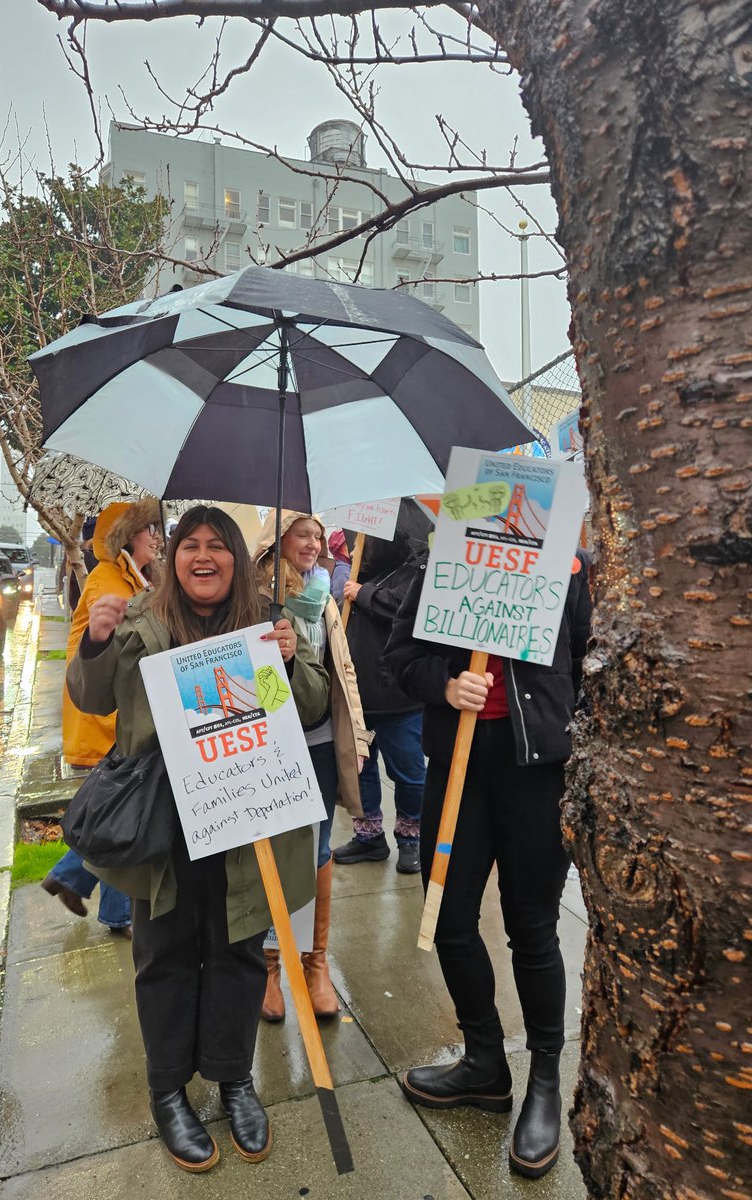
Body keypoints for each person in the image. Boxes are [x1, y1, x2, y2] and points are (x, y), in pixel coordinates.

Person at [66, 506, 329, 1172]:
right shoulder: (140, 623)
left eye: (219, 546)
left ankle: (233, 1079)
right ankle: (168, 1092)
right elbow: (93, 698)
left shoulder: (262, 626)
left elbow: (306, 707)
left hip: (245, 829)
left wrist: (291, 663)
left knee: (239, 953)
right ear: (173, 556)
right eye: (191, 545)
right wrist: (94, 642)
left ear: (238, 560)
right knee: (166, 959)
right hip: (166, 832)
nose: (204, 556)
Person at [384, 549, 591, 1180]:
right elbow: (399, 660)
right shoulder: (439, 567)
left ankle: (546, 1082)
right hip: (457, 770)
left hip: (537, 775)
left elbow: (593, 665)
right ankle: (484, 1063)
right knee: (448, 920)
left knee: (531, 926)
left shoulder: (569, 570)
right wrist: (444, 684)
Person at [252, 511, 370, 1021]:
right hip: (273, 744)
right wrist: (275, 660)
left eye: (319, 536)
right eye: (304, 533)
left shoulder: (322, 592)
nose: (314, 543)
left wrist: (357, 734)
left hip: (321, 741)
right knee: (274, 853)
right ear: (279, 539)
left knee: (317, 848)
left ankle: (314, 961)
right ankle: (270, 967)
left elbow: (340, 669)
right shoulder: (254, 595)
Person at [43, 499, 162, 938]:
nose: (155, 537)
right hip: (104, 716)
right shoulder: (108, 581)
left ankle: (70, 876)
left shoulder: (133, 576)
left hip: (120, 718)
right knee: (127, 813)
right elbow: (128, 634)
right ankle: (116, 913)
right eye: (148, 529)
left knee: (119, 809)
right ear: (128, 535)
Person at [332, 500, 430, 875]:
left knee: (408, 772)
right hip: (359, 698)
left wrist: (365, 595)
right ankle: (369, 836)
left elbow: (409, 610)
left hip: (399, 700)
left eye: (361, 541)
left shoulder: (412, 570)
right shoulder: (359, 574)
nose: (354, 548)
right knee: (362, 771)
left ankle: (411, 837)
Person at [327, 530, 351, 606]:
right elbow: (342, 604)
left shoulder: (339, 566)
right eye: (348, 544)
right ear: (340, 549)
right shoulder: (342, 571)